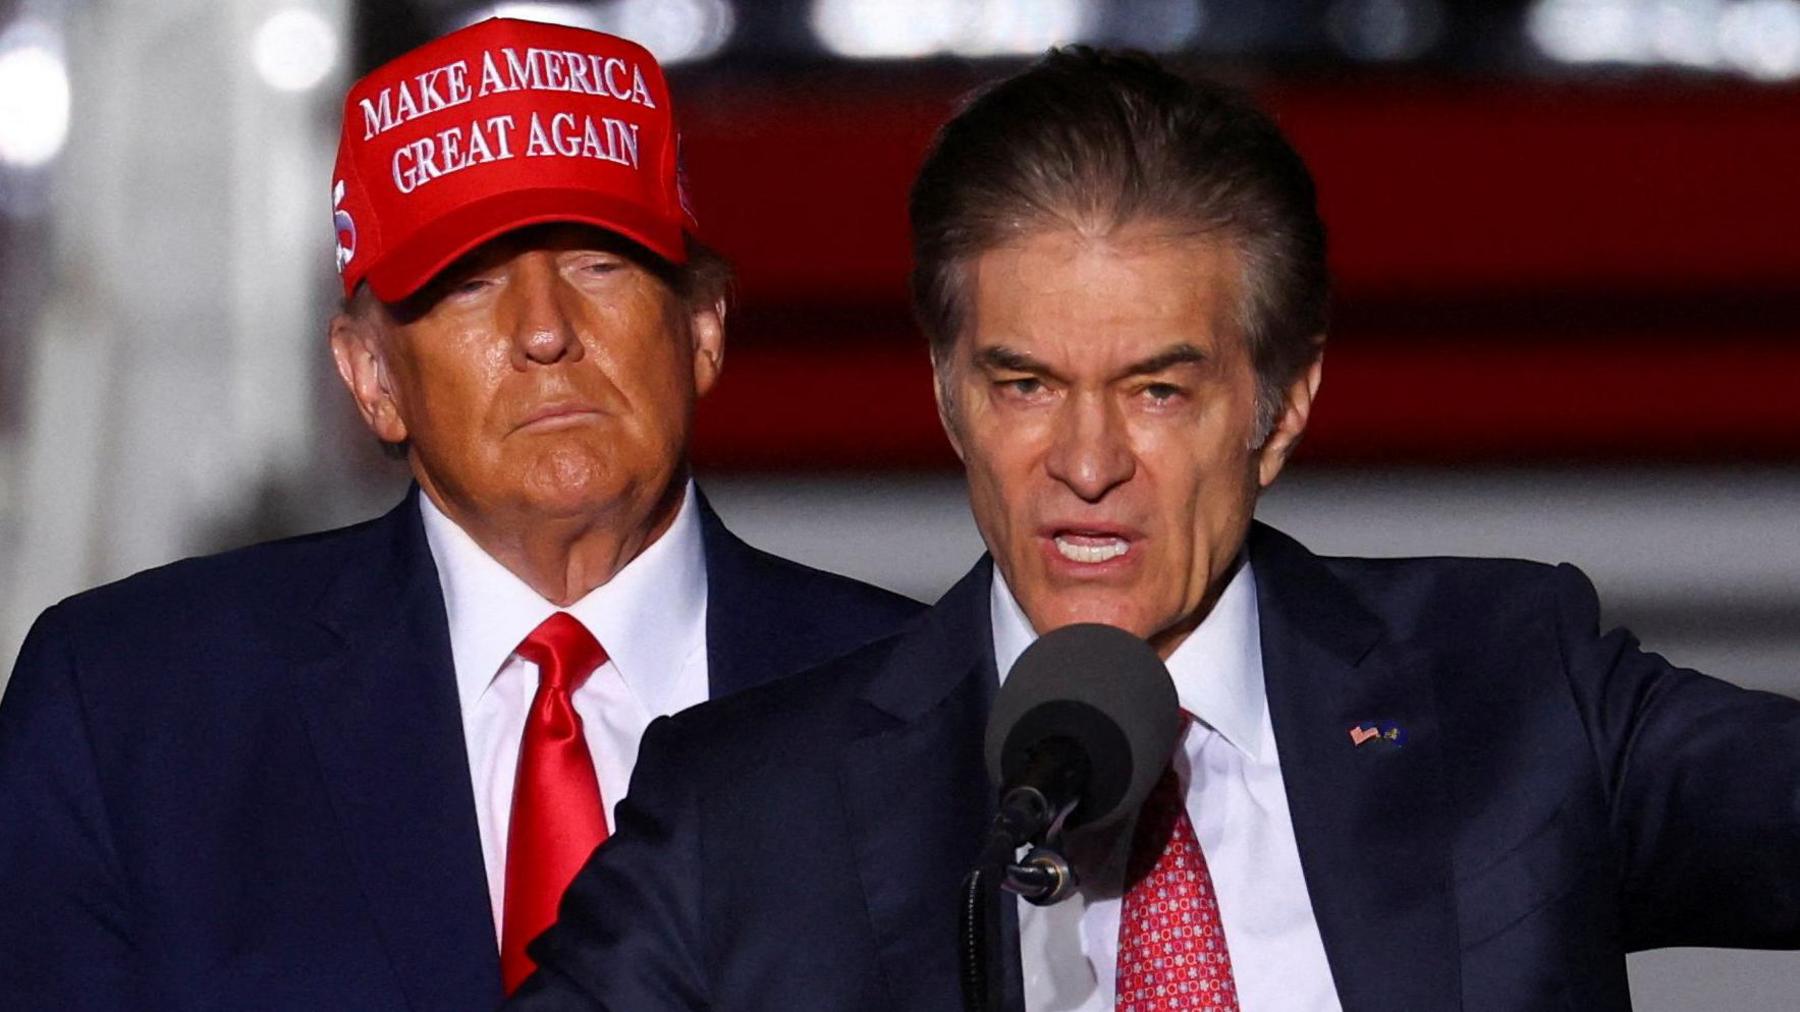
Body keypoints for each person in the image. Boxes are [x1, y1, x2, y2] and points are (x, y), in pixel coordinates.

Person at [507, 47, 1800, 1012]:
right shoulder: (748, 813)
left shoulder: (1510, 684)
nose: (1084, 464)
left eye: (1156, 392)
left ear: (1283, 406)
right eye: (1026, 386)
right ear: (950, 396)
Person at [0, 18, 920, 1011]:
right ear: (369, 376)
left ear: (703, 325)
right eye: (469, 282)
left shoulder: (933, 711)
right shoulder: (131, 713)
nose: (543, 329)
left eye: (598, 262)